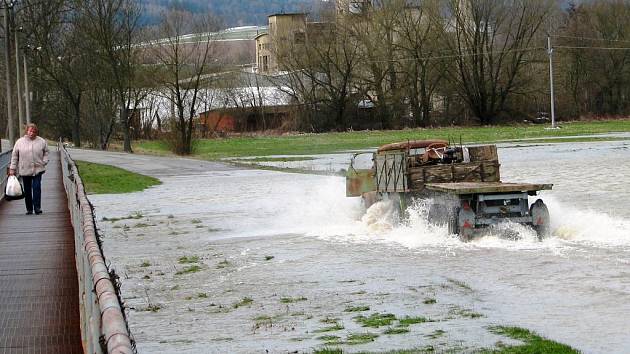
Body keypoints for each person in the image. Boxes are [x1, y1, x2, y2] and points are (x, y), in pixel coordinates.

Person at [9, 123, 49, 215]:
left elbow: (46, 152)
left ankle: (37, 208)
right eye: (30, 131)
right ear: (27, 131)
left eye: (34, 131)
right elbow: (14, 156)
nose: (32, 133)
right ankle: (29, 209)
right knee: (27, 190)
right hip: (24, 169)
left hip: (38, 169)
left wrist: (44, 161)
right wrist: (12, 168)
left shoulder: (41, 141)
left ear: (36, 132)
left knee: (36, 188)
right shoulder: (19, 142)